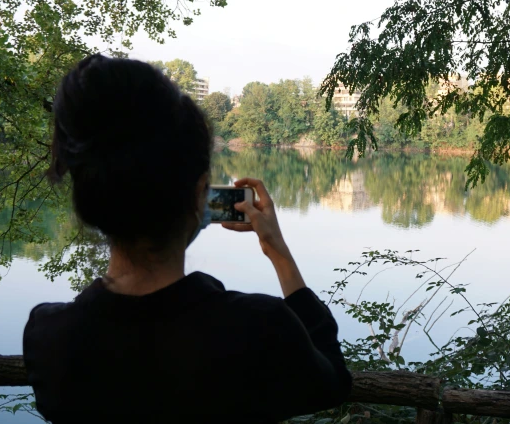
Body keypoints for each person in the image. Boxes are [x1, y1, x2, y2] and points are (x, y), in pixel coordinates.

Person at [23, 54, 352, 423]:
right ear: (201, 194)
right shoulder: (258, 327)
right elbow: (333, 383)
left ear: (92, 199)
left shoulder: (49, 337)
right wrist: (279, 253)